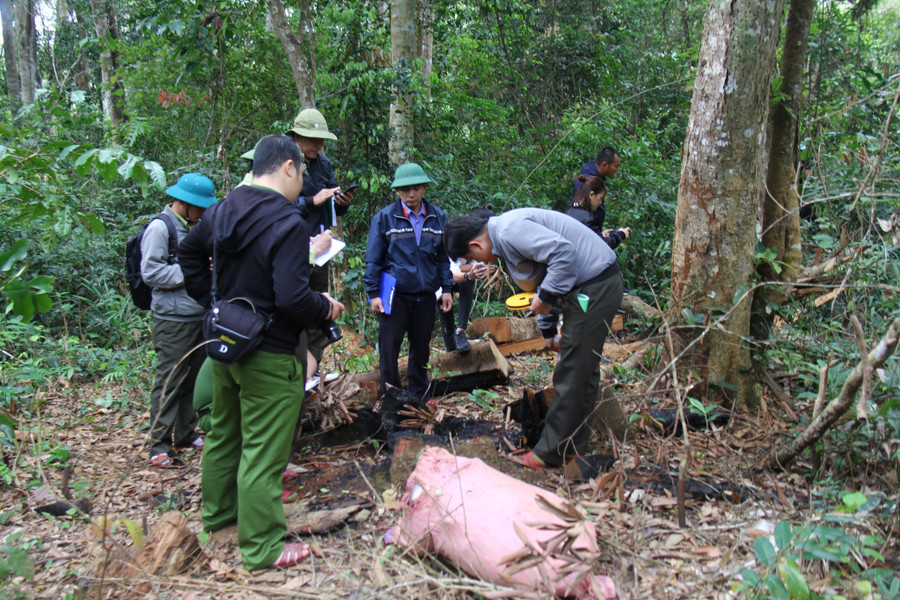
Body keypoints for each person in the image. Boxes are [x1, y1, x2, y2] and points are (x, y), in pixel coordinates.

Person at [179, 134, 345, 571]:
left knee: (223, 436)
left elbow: (188, 250)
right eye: (301, 174)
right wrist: (324, 306)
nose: (302, 184)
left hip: (224, 345)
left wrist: (214, 303)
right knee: (263, 450)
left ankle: (217, 519)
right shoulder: (287, 222)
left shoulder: (222, 209)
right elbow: (292, 299)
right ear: (288, 167)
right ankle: (262, 547)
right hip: (269, 351)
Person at [444, 208, 623, 468]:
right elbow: (547, 276)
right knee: (583, 370)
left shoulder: (509, 230)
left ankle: (549, 453)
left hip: (593, 290)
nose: (481, 263)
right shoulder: (505, 238)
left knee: (572, 370)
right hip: (588, 288)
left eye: (473, 257)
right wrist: (548, 330)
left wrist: (548, 297)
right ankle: (571, 448)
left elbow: (563, 254)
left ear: (476, 244)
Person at [141, 172, 217, 468]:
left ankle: (186, 432)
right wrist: (192, 269)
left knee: (194, 379)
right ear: (183, 203)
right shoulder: (161, 228)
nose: (202, 213)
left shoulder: (194, 227)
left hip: (197, 314)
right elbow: (151, 272)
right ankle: (159, 444)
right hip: (172, 319)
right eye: (199, 208)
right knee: (170, 380)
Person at [364, 163, 453, 402]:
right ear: (396, 191)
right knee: (389, 348)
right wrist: (373, 293)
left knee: (421, 348)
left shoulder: (437, 217)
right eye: (405, 190)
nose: (410, 194)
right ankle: (392, 398)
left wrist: (447, 289)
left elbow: (443, 258)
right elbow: (373, 259)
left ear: (424, 188)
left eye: (415, 188)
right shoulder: (384, 218)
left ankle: (418, 396)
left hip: (425, 295)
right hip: (395, 295)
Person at [286, 108, 354, 380]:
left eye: (321, 140)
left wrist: (341, 203)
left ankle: (311, 370)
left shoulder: (323, 165)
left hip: (321, 249)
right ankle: (293, 372)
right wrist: (310, 201)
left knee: (319, 306)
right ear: (296, 137)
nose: (317, 145)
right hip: (292, 248)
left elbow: (331, 204)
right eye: (312, 139)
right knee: (294, 307)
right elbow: (276, 205)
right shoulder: (285, 163)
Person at [438, 259, 489, 354]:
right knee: (446, 321)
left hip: (459, 276)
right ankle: (451, 350)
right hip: (440, 279)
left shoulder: (471, 248)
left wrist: (465, 270)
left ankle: (460, 331)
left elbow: (476, 266)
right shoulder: (445, 248)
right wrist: (466, 271)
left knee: (468, 279)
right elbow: (449, 273)